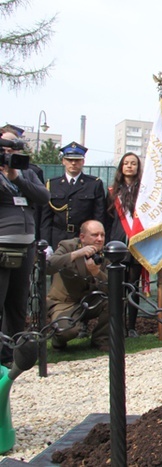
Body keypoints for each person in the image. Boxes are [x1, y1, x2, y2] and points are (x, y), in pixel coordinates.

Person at [0, 129, 49, 366]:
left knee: (17, 305)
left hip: (26, 244)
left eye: (13, 148)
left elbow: (43, 196)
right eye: (5, 148)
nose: (9, 153)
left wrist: (17, 177)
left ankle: (10, 358)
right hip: (2, 244)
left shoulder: (27, 172)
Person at [46, 220, 110, 352]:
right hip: (65, 302)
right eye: (95, 235)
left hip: (90, 300)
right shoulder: (68, 246)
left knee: (116, 301)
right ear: (82, 237)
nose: (99, 239)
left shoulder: (106, 252)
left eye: (102, 235)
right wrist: (76, 254)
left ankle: (101, 339)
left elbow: (112, 288)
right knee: (67, 331)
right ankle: (58, 340)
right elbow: (48, 266)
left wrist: (96, 273)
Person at [41, 142, 106, 253]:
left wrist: (95, 240)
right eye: (70, 160)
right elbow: (46, 218)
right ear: (63, 161)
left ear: (83, 162)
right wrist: (45, 243)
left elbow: (98, 215)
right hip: (57, 237)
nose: (73, 163)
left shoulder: (93, 184)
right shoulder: (52, 184)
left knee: (82, 269)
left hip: (83, 238)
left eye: (77, 160)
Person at [105, 152, 144, 337]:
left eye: (134, 163)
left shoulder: (144, 191)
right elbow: (108, 219)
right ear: (121, 166)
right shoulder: (113, 191)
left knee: (133, 286)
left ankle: (132, 326)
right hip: (117, 242)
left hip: (136, 243)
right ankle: (117, 324)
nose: (130, 166)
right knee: (117, 287)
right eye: (126, 163)